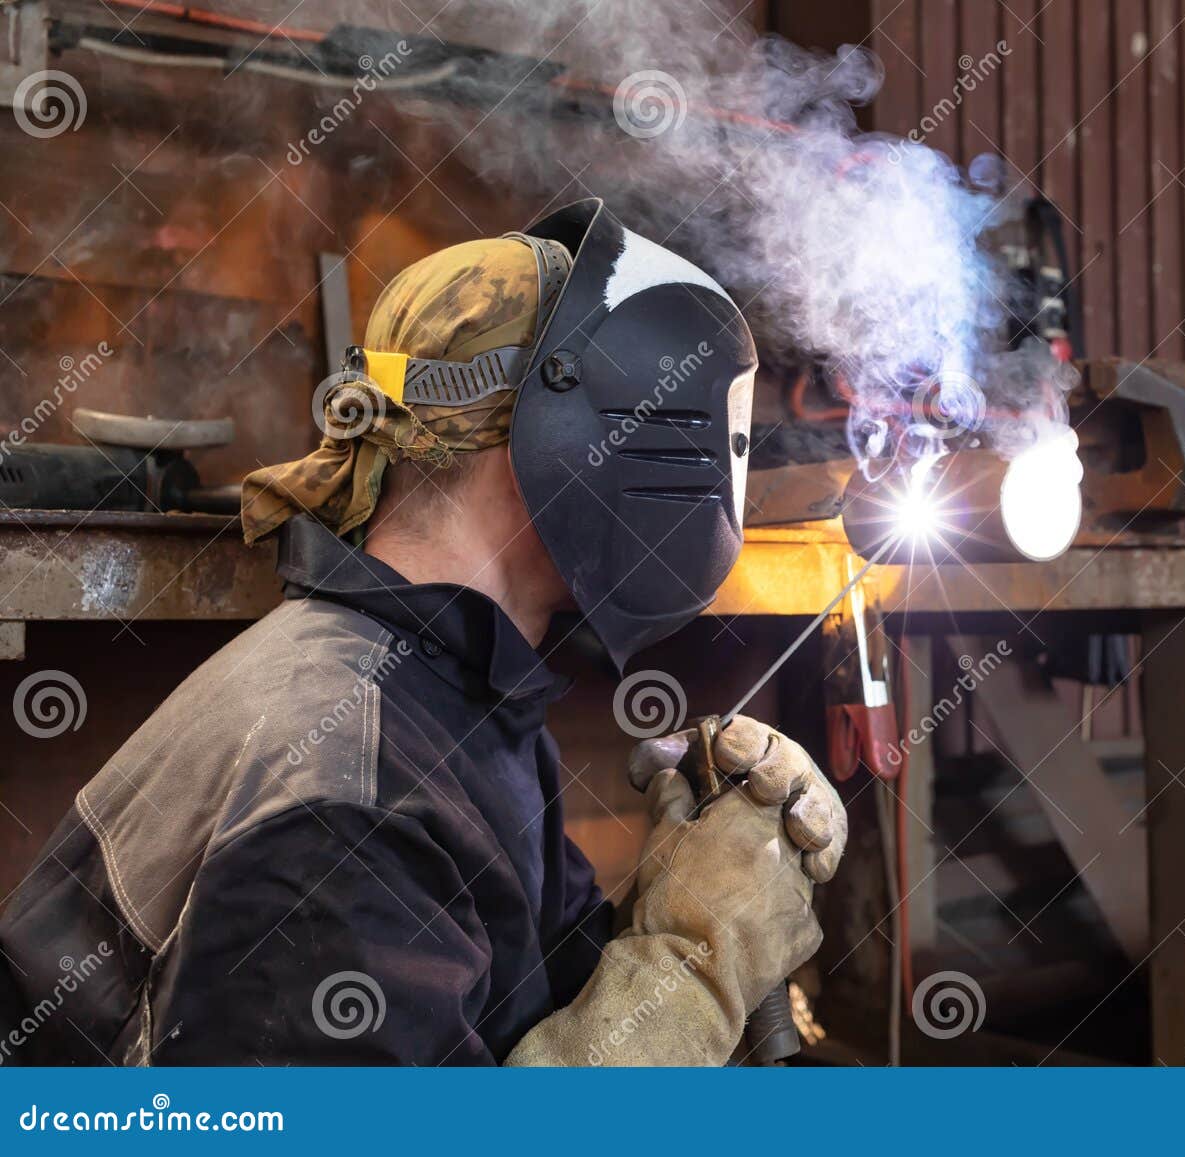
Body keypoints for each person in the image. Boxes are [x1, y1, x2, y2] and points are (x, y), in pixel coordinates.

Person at [0, 200, 845, 1065]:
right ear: (559, 433)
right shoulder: (346, 802)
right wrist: (698, 965)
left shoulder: (445, 694)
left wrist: (693, 891)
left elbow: (518, 1020)